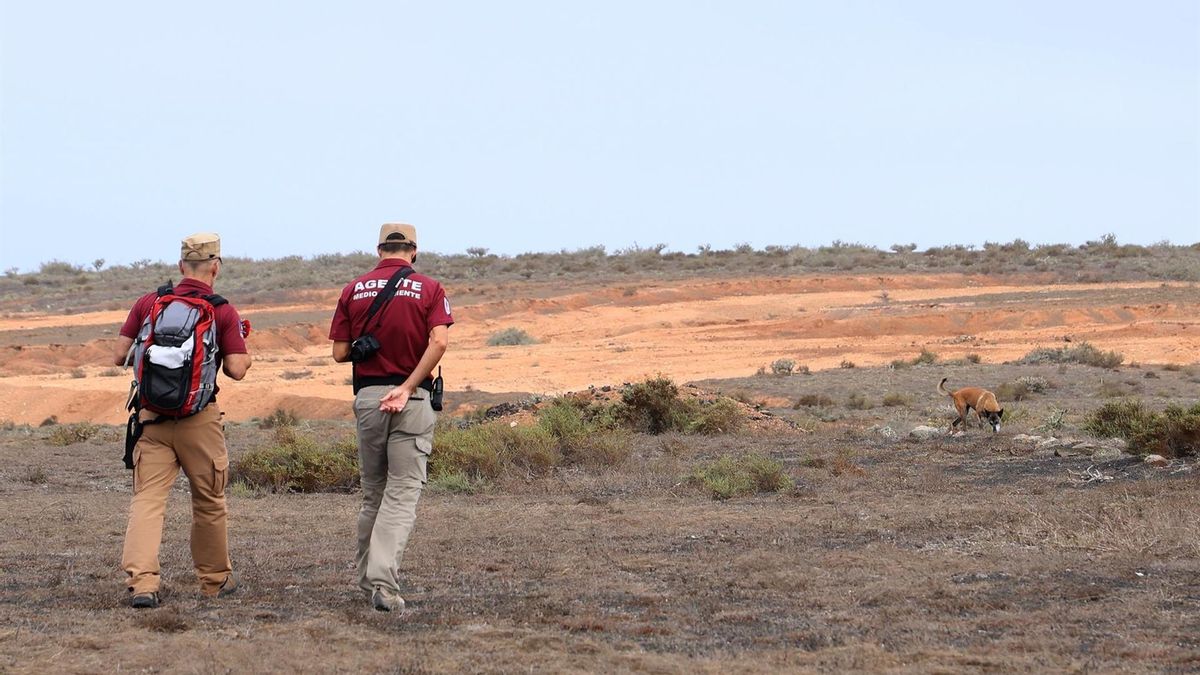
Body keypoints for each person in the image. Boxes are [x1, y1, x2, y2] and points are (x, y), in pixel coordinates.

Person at [111, 233, 251, 608]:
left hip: (151, 419)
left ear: (179, 266)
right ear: (215, 267)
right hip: (199, 422)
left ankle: (142, 584)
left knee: (147, 501)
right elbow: (237, 369)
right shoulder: (221, 309)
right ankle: (214, 581)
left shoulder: (149, 302)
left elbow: (119, 354)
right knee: (209, 501)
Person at [329, 222, 452, 612]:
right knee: (401, 493)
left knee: (373, 493)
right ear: (413, 251)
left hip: (368, 398)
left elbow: (338, 353)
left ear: (379, 250)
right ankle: (383, 584)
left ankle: (368, 580)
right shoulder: (430, 289)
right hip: (411, 399)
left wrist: (365, 351)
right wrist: (408, 385)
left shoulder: (352, 289)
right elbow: (440, 341)